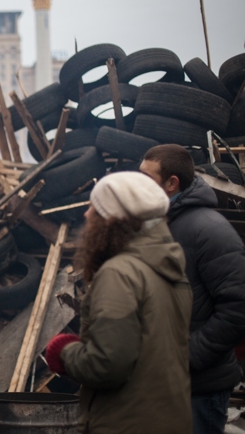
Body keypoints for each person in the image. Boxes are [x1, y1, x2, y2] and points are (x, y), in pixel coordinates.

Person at [44, 171, 192, 433]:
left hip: (126, 422)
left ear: (112, 220)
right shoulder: (169, 269)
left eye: (94, 208)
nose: (87, 215)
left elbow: (107, 365)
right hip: (168, 418)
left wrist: (64, 353)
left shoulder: (120, 274)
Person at [140, 144, 245, 433]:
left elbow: (238, 310)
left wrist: (185, 359)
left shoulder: (210, 230)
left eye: (147, 179)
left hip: (198, 389)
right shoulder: (158, 225)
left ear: (171, 183)